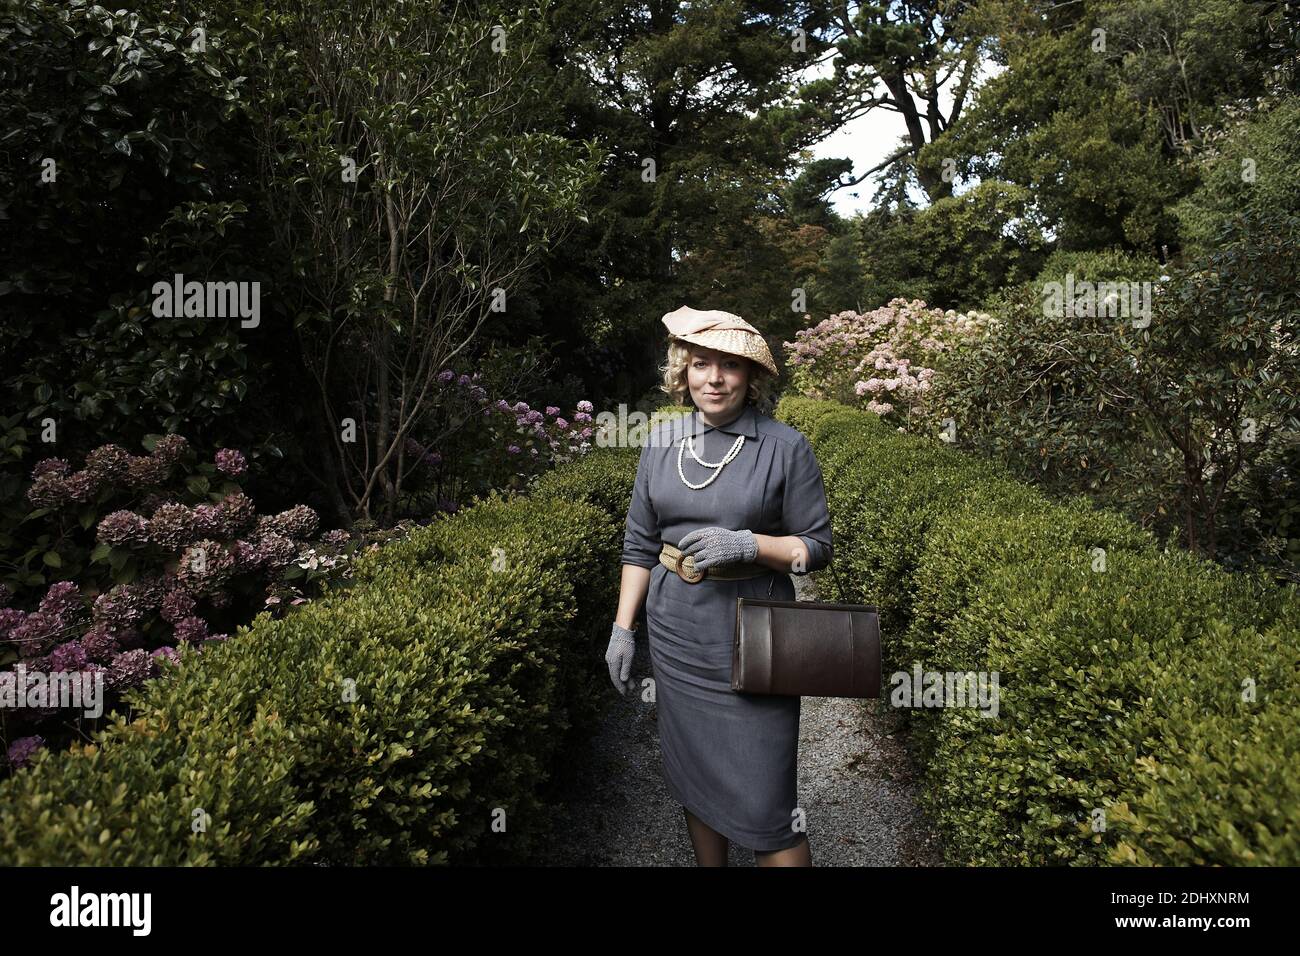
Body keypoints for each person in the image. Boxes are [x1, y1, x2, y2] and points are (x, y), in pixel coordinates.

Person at [605, 305, 833, 867]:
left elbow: (817, 549)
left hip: (754, 634)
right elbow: (639, 547)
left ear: (750, 377)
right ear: (682, 371)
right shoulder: (660, 443)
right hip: (678, 635)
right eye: (701, 364)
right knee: (696, 777)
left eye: (729, 366)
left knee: (769, 808)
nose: (714, 378)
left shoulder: (784, 447)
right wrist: (622, 629)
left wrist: (754, 544)